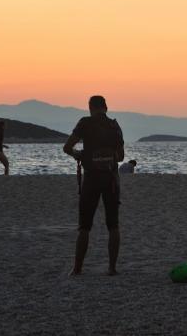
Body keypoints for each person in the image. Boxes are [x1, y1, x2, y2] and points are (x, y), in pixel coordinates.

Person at [63, 95, 124, 276]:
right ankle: (112, 268)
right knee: (113, 225)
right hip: (111, 180)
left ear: (90, 107)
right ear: (106, 107)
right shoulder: (114, 126)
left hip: (91, 180)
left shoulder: (85, 123)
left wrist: (78, 154)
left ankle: (77, 268)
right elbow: (120, 157)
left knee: (84, 227)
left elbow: (67, 147)